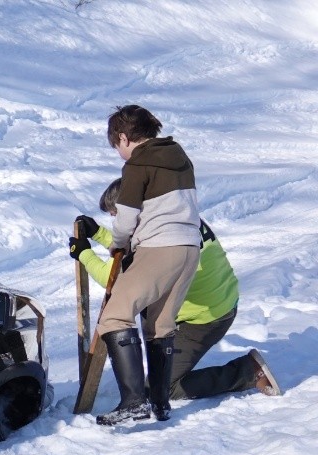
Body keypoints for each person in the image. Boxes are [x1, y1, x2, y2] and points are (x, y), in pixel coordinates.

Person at [71, 179, 281, 402]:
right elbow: (130, 246)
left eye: (116, 215)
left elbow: (116, 280)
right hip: (216, 300)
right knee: (147, 306)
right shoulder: (173, 216)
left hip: (206, 318)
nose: (116, 221)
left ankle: (248, 372)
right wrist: (99, 234)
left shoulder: (160, 243)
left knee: (161, 388)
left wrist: (84, 253)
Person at [86, 105, 203, 426]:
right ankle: (160, 403)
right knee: (160, 326)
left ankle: (134, 402)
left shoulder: (138, 163)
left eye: (116, 146)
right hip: (190, 248)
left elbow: (126, 217)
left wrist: (119, 243)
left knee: (114, 317)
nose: (118, 153)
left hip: (159, 246)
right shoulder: (178, 156)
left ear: (124, 137)